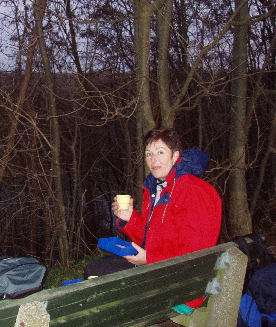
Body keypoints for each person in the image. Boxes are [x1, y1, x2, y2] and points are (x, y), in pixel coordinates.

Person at [84, 127, 222, 310]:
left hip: (184, 288)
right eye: (148, 154)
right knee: (95, 270)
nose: (153, 159)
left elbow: (195, 255)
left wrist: (149, 259)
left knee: (100, 287)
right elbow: (150, 239)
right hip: (163, 271)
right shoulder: (159, 188)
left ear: (175, 156)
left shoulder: (193, 191)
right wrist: (129, 218)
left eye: (160, 152)